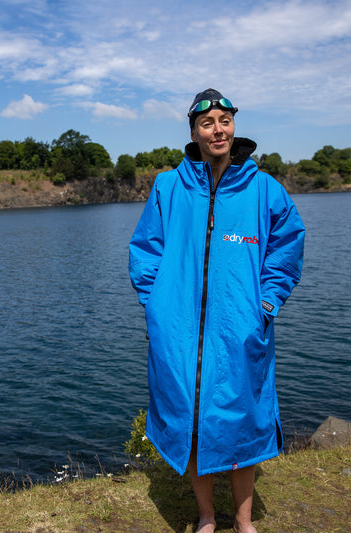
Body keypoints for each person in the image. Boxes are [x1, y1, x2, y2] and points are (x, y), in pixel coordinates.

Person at [128, 88, 305, 533]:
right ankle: (207, 516)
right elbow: (145, 250)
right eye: (207, 123)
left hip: (240, 331)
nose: (217, 129)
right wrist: (156, 306)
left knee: (243, 420)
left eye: (224, 120)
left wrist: (265, 302)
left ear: (234, 127)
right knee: (189, 421)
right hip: (178, 334)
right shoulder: (169, 186)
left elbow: (287, 247)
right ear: (194, 132)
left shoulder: (264, 190)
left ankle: (243, 521)